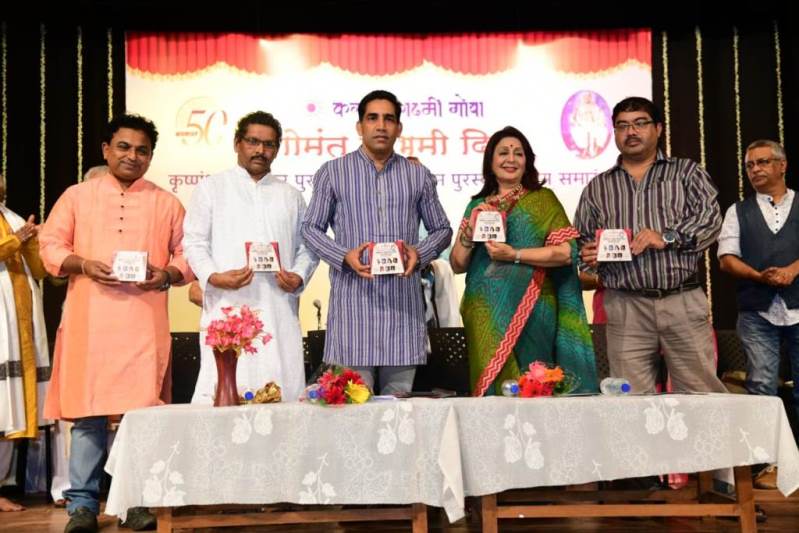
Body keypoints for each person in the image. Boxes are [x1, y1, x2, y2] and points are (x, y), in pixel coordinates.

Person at [40, 114, 192, 533]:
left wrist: (166, 274)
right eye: (124, 147)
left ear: (151, 157)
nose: (132, 156)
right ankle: (82, 506)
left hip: (142, 324)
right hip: (90, 322)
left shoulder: (167, 203)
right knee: (88, 415)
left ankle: (135, 503)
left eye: (142, 150)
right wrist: (82, 264)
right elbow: (50, 245)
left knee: (138, 417)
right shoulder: (77, 196)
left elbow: (189, 254)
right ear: (106, 150)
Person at [302, 90, 452, 395]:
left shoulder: (417, 175)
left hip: (402, 311)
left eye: (389, 119)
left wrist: (419, 253)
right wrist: (344, 256)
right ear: (360, 126)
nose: (381, 126)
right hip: (353, 311)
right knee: (355, 410)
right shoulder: (333, 172)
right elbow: (310, 228)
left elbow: (442, 230)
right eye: (372, 118)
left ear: (399, 128)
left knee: (399, 413)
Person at [574, 96, 726, 394]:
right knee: (630, 399)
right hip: (625, 306)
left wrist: (667, 236)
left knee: (699, 395)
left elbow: (710, 221)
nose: (631, 132)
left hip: (682, 300)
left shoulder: (686, 172)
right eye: (622, 126)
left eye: (640, 123)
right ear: (614, 133)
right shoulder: (598, 187)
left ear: (658, 128)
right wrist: (588, 255)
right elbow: (581, 241)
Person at [450, 127, 597, 396]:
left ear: (527, 161)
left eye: (518, 153)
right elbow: (458, 264)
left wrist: (514, 255)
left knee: (535, 386)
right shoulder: (477, 206)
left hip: (534, 308)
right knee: (492, 397)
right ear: (490, 161)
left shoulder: (542, 200)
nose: (511, 159)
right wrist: (469, 232)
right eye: (503, 153)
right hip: (484, 313)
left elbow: (566, 252)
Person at [183, 111, 318, 403]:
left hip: (277, 307)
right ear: (237, 143)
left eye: (269, 144)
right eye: (253, 142)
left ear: (277, 149)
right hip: (228, 306)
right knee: (226, 397)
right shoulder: (212, 188)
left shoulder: (290, 195)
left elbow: (308, 247)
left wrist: (298, 276)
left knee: (281, 395)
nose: (260, 150)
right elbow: (193, 242)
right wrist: (213, 276)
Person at [718, 140, 799, 468]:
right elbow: (726, 258)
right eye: (750, 165)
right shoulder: (737, 211)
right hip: (757, 311)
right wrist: (757, 275)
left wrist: (793, 270)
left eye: (763, 162)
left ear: (782, 165)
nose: (755, 170)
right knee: (761, 386)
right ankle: (767, 464)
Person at [0, 173, 49, 512]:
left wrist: (33, 242)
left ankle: (2, 485)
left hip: (20, 326)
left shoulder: (12, 217)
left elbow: (40, 271)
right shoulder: (14, 227)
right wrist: (16, 241)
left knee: (9, 411)